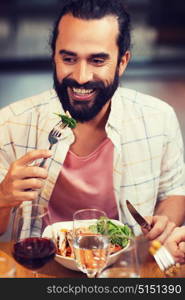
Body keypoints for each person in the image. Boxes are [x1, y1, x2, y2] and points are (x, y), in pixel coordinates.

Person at [0, 0, 185, 242]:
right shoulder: (10, 123)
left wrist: (164, 222)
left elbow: (174, 191)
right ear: (54, 55)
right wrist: (3, 197)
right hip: (42, 268)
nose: (81, 77)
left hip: (126, 267)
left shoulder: (159, 118)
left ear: (122, 62)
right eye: (69, 59)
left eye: (97, 61)